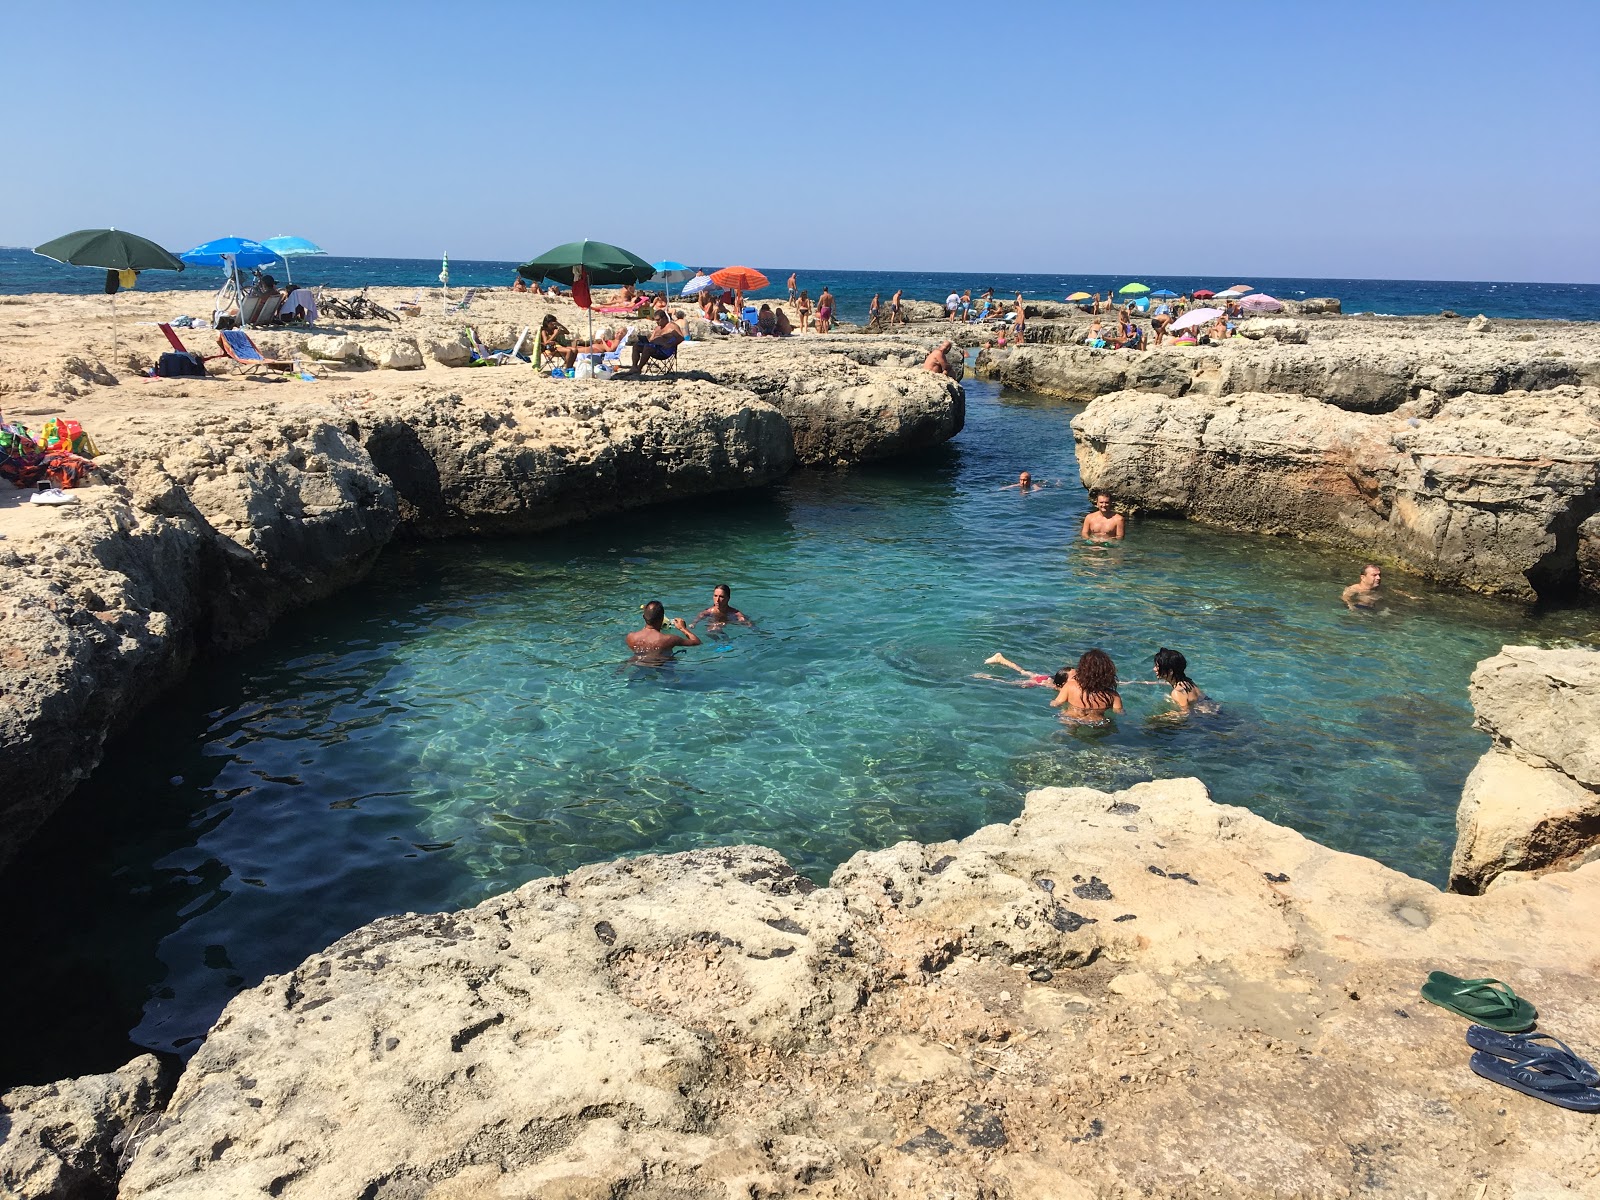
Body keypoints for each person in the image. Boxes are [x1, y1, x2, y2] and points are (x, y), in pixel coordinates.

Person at [1051, 649, 1123, 722]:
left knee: (1068, 717)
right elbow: (1120, 713)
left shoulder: (1070, 686)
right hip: (1097, 722)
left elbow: (1055, 704)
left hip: (1072, 718)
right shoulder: (1114, 696)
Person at [626, 600, 702, 661]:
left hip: (638, 663)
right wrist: (683, 628)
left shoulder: (631, 637)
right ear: (662, 619)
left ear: (643, 617)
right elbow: (697, 642)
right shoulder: (669, 639)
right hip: (662, 664)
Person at [616, 310, 685, 374]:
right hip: (654, 348)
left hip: (664, 351)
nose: (657, 322)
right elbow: (651, 340)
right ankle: (634, 367)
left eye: (658, 320)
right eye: (656, 320)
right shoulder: (657, 328)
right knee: (636, 346)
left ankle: (639, 368)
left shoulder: (672, 326)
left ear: (664, 318)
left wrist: (670, 345)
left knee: (647, 347)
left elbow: (681, 338)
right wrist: (646, 341)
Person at [1150, 647, 1214, 713]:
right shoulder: (1188, 682)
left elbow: (1185, 713)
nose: (1154, 669)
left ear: (1170, 671)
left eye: (1157, 666)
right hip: (1214, 710)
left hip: (1209, 720)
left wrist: (1158, 718)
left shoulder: (1177, 692)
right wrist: (1147, 683)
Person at [1341, 563, 1411, 610]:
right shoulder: (1355, 588)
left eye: (1379, 575)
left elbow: (1394, 591)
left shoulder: (1380, 587)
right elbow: (1345, 598)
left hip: (1375, 609)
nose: (1378, 578)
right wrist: (1351, 607)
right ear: (1363, 577)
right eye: (1374, 575)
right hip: (1361, 608)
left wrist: (1410, 597)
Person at [981, 653, 1068, 689]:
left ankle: (1000, 659)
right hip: (1041, 682)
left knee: (1022, 671)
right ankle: (988, 677)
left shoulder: (1068, 678)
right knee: (1010, 683)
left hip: (1046, 677)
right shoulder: (1066, 686)